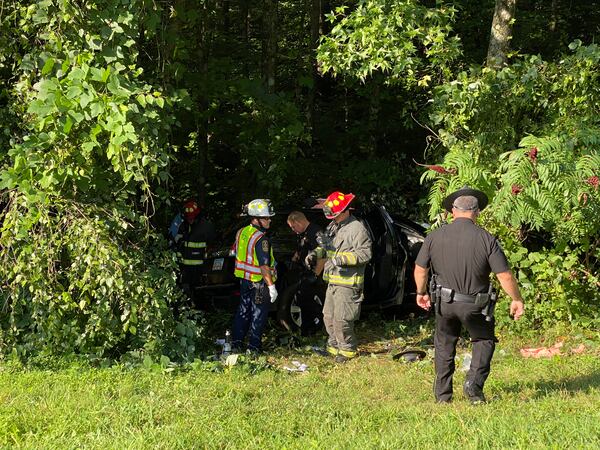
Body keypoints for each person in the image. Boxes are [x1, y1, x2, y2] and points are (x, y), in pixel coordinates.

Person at [413, 186, 525, 404]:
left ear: (452, 211)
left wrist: (421, 292)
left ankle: (443, 396)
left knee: (444, 343)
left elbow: (420, 269)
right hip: (476, 305)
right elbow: (505, 276)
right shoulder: (487, 239)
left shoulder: (434, 236)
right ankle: (473, 387)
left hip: (444, 303)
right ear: (477, 212)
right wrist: (516, 299)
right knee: (483, 340)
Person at [306, 191, 372, 363]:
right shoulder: (334, 226)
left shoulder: (357, 228)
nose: (332, 218)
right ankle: (333, 347)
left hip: (348, 283)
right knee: (328, 316)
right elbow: (327, 247)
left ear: (344, 211)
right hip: (333, 281)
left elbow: (365, 254)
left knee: (343, 319)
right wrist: (314, 254)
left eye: (335, 214)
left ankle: (347, 351)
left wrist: (340, 259)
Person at [231, 199, 278, 353]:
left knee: (243, 312)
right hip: (258, 283)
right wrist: (271, 286)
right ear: (256, 219)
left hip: (244, 280)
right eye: (266, 218)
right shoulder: (261, 239)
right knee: (258, 315)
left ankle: (236, 343)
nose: (269, 220)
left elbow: (235, 253)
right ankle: (254, 348)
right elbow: (263, 266)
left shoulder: (241, 232)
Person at [287, 211, 325, 336]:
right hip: (305, 272)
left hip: (315, 275)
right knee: (303, 301)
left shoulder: (316, 232)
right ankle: (306, 330)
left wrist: (315, 275)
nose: (293, 230)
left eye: (293, 227)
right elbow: (302, 250)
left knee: (311, 304)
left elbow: (324, 255)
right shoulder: (303, 233)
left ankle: (313, 330)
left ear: (298, 222)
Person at [173, 200, 217, 301]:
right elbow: (177, 240)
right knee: (186, 289)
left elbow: (213, 244)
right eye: (188, 217)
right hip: (185, 266)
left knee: (199, 291)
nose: (190, 220)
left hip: (201, 266)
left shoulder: (206, 227)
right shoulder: (184, 226)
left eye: (192, 218)